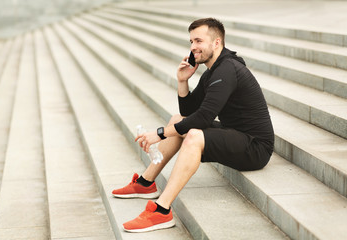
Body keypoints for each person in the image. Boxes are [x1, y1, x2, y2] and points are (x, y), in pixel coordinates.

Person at [112, 18, 274, 233]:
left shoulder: (227, 70)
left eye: (199, 40)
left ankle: (161, 211)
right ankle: (145, 183)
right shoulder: (212, 72)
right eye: (191, 41)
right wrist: (182, 81)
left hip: (255, 147)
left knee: (194, 135)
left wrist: (158, 134)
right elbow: (189, 113)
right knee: (178, 120)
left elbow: (203, 118)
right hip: (234, 134)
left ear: (216, 43)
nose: (193, 47)